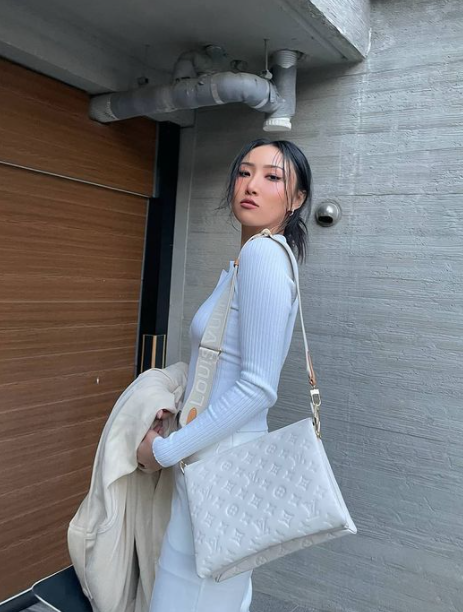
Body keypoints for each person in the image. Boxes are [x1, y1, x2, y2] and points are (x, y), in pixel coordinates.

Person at [137, 138, 313, 612]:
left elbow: (257, 387)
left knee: (188, 598)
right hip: (218, 453)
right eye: (244, 172)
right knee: (213, 595)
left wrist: (165, 451)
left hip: (220, 459)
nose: (251, 185)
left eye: (272, 177)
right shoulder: (249, 260)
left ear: (296, 199)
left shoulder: (263, 257)